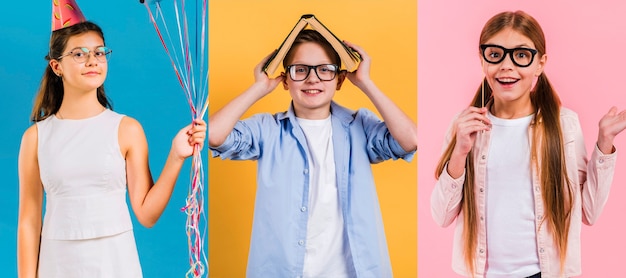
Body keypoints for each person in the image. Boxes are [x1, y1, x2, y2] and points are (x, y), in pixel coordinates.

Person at [430, 10, 626, 278]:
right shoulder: (464, 125)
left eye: (521, 55)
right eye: (495, 54)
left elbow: (589, 212)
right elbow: (441, 216)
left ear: (540, 63)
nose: (507, 66)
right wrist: (460, 152)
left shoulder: (564, 124)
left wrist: (605, 142)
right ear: (482, 59)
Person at [209, 29, 417, 277]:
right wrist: (259, 88)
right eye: (300, 70)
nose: (313, 79)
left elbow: (410, 140)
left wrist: (366, 83)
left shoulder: (359, 126)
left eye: (325, 69)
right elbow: (213, 135)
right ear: (286, 80)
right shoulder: (268, 130)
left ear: (339, 80)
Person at [16, 8, 206, 278]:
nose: (92, 60)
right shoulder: (35, 138)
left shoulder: (126, 129)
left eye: (99, 52)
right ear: (56, 66)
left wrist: (176, 156)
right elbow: (29, 221)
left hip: (115, 261)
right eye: (79, 54)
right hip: (57, 262)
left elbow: (147, 214)